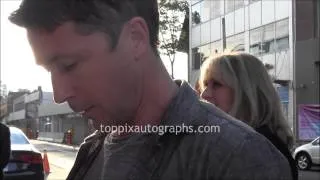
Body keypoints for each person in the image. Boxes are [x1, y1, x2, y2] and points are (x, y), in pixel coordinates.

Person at [9, 0, 292, 179]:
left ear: (135, 38)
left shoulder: (240, 160)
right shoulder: (91, 149)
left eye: (68, 65)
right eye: (50, 70)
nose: (59, 94)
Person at [199, 52, 298, 180]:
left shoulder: (260, 152)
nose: (204, 95)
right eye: (206, 84)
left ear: (247, 93)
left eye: (217, 84)